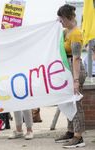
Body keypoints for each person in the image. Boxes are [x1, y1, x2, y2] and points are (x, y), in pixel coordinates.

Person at [54, 4, 86, 148]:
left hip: (76, 71)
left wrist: (76, 80)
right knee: (68, 102)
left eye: (62, 19)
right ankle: (70, 131)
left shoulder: (76, 34)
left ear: (69, 17)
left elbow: (77, 58)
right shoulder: (67, 31)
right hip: (68, 70)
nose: (61, 22)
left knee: (76, 103)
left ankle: (78, 137)